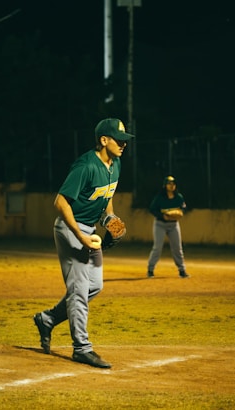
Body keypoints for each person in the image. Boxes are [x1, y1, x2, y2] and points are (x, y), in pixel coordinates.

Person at [34, 118, 135, 369]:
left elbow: (106, 197)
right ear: (104, 140)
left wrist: (110, 220)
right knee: (78, 289)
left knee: (94, 286)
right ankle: (81, 347)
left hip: (89, 232)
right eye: (119, 140)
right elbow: (60, 202)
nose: (123, 144)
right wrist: (79, 237)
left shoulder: (116, 164)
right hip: (71, 230)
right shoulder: (86, 165)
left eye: (125, 140)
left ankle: (47, 319)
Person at [146, 175, 190, 279]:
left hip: (173, 224)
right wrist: (162, 216)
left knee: (177, 248)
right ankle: (150, 270)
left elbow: (184, 208)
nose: (171, 186)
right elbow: (152, 209)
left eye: (173, 184)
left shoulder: (179, 197)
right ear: (165, 186)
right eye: (169, 184)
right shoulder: (159, 198)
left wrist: (180, 212)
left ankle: (182, 270)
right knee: (157, 248)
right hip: (160, 224)